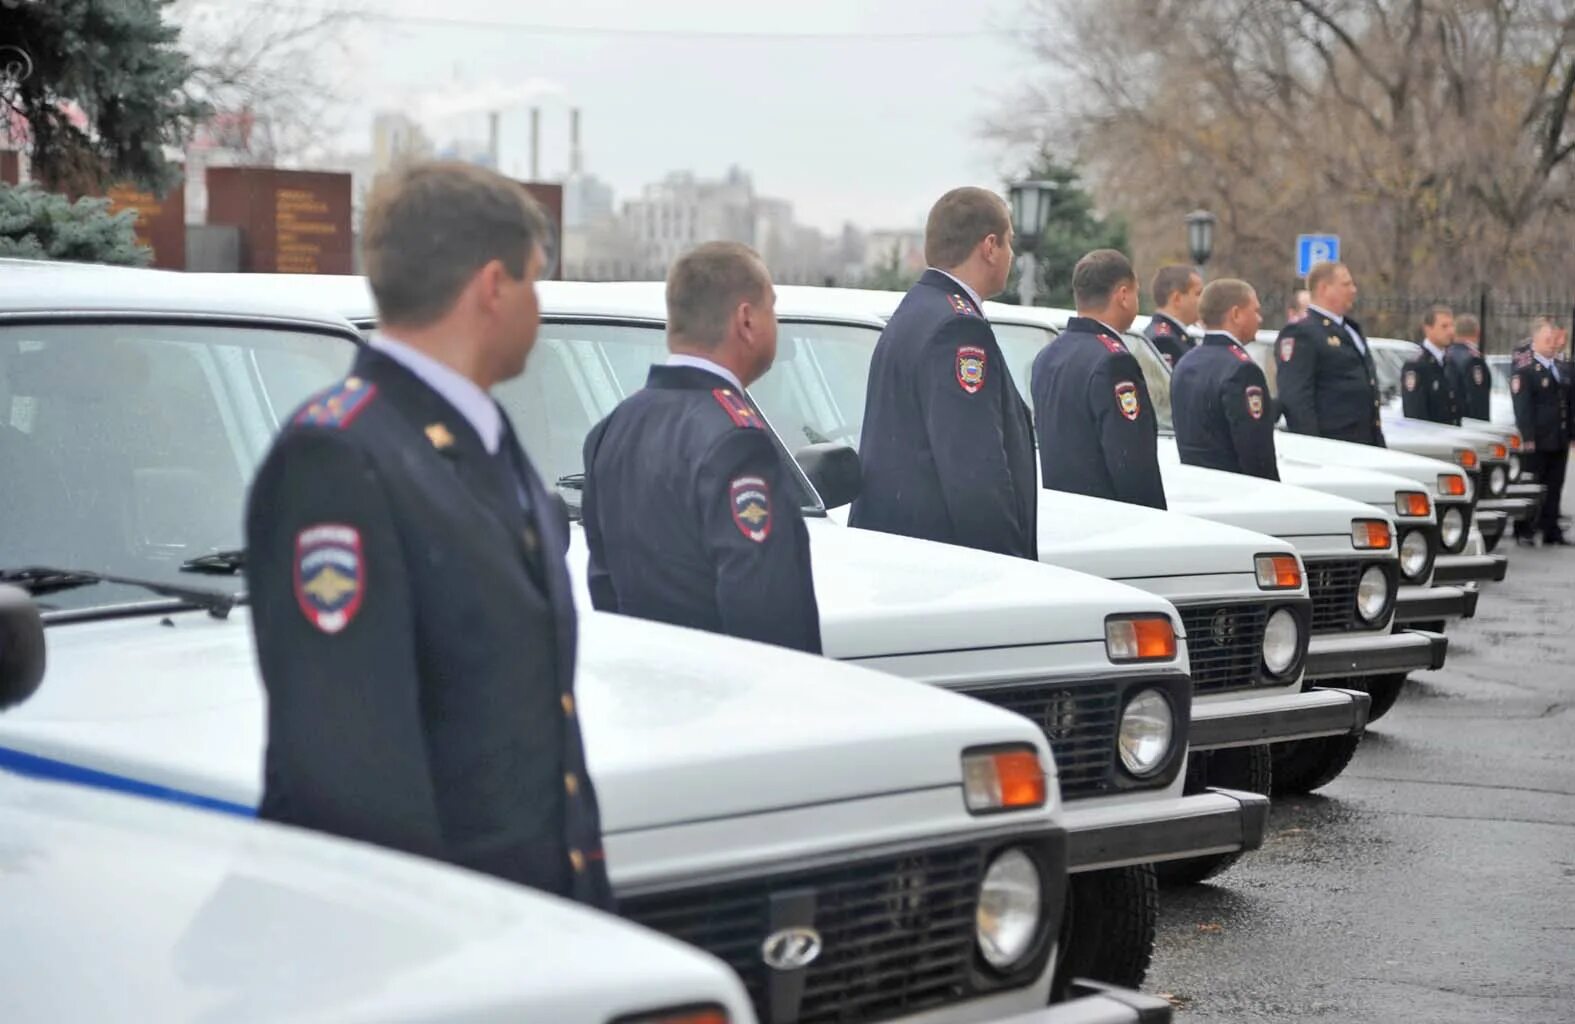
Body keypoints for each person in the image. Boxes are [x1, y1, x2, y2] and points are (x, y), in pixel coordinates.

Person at [244, 161, 612, 908]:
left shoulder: (473, 431)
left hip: (531, 918)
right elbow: (352, 774)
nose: (536, 308)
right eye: (533, 282)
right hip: (440, 938)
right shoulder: (340, 457)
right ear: (492, 288)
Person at [581, 242, 821, 653]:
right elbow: (764, 608)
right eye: (772, 308)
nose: (775, 321)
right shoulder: (736, 440)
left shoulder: (613, 429)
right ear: (746, 320)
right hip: (729, 701)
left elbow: (605, 587)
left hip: (650, 690)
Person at [849, 187, 1037, 559]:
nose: (1011, 255)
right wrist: (1012, 571)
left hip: (907, 553)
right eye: (1009, 242)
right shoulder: (958, 329)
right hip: (945, 565)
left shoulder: (919, 307)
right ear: (989, 247)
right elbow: (975, 475)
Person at [1031, 249, 1167, 509]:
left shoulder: (1047, 356)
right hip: (1112, 520)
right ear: (1123, 295)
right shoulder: (1114, 362)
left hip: (1065, 514)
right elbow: (1133, 464)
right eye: (1136, 292)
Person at [1170, 279, 1279, 480]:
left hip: (1196, 486)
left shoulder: (1186, 362)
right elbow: (1255, 449)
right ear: (1236, 314)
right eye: (1254, 311)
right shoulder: (1242, 370)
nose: (1260, 319)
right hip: (1237, 490)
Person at [1274, 261, 1386, 446]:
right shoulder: (1302, 333)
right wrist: (1314, 448)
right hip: (1334, 445)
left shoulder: (1350, 329)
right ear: (1324, 288)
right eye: (1346, 284)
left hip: (1364, 442)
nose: (1353, 290)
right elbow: (1296, 398)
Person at [1510, 317, 1570, 546]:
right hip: (1536, 439)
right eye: (1548, 339)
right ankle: (1524, 528)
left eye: (1555, 340)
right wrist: (1527, 437)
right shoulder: (1525, 370)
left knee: (1554, 485)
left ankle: (1550, 528)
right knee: (1531, 485)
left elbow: (1567, 404)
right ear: (1535, 340)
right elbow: (1522, 407)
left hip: (1558, 437)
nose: (1553, 344)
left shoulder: (1561, 369)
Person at [1400, 305, 1462, 425]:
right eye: (1444, 326)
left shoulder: (1450, 363)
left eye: (1452, 326)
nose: (1450, 331)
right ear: (1428, 329)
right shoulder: (1416, 366)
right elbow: (1415, 413)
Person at [1143, 265, 1201, 369]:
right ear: (1177, 298)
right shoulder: (1164, 341)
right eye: (1198, 294)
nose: (1203, 300)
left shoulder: (1177, 336)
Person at [1446, 313, 1492, 421]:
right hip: (1468, 425)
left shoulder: (1444, 355)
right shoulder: (1474, 360)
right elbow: (1478, 401)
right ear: (1478, 332)